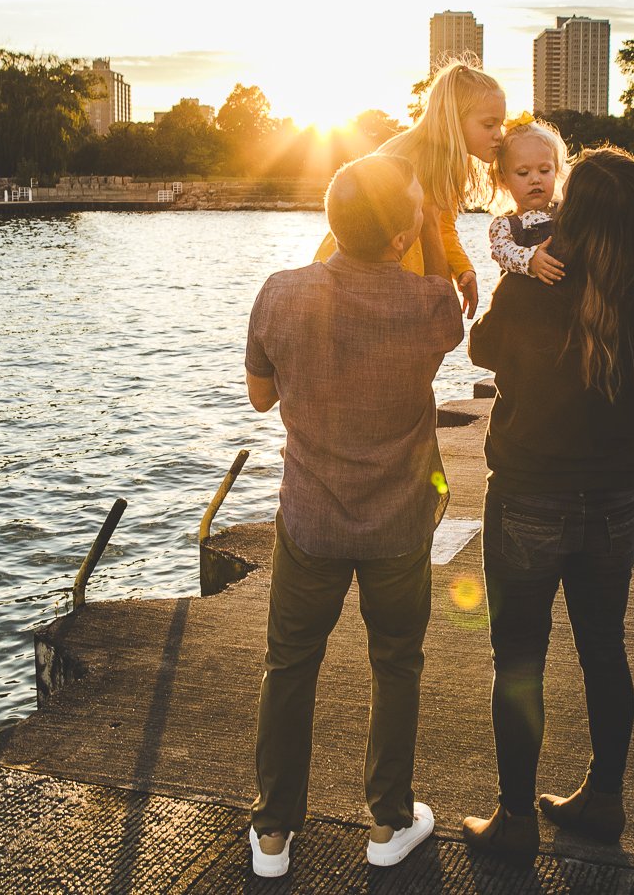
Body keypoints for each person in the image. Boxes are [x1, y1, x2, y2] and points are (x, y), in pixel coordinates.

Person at [461, 146, 634, 864]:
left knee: (519, 659)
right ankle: (603, 799)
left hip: (529, 494)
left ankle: (516, 818)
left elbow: (482, 350)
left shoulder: (534, 285)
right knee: (604, 649)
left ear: (573, 214)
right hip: (615, 500)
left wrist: (519, 270)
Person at [244, 154, 464, 877]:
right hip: (400, 522)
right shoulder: (433, 305)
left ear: (329, 219)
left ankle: (274, 834)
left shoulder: (279, 293)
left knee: (289, 667)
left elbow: (260, 398)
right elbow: (444, 291)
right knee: (396, 665)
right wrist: (427, 222)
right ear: (405, 234)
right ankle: (388, 823)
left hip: (310, 519)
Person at [314, 59, 505, 318]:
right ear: (454, 120)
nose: (499, 135)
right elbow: (426, 228)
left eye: (500, 125)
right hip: (371, 267)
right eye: (489, 124)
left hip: (360, 263)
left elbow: (443, 226)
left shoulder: (444, 159)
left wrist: (463, 269)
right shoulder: (419, 159)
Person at [487, 112, 570, 284]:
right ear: (503, 179)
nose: (535, 179)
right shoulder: (505, 225)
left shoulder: (566, 212)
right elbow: (502, 252)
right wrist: (531, 259)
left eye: (545, 170)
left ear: (556, 171)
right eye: (523, 173)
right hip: (524, 303)